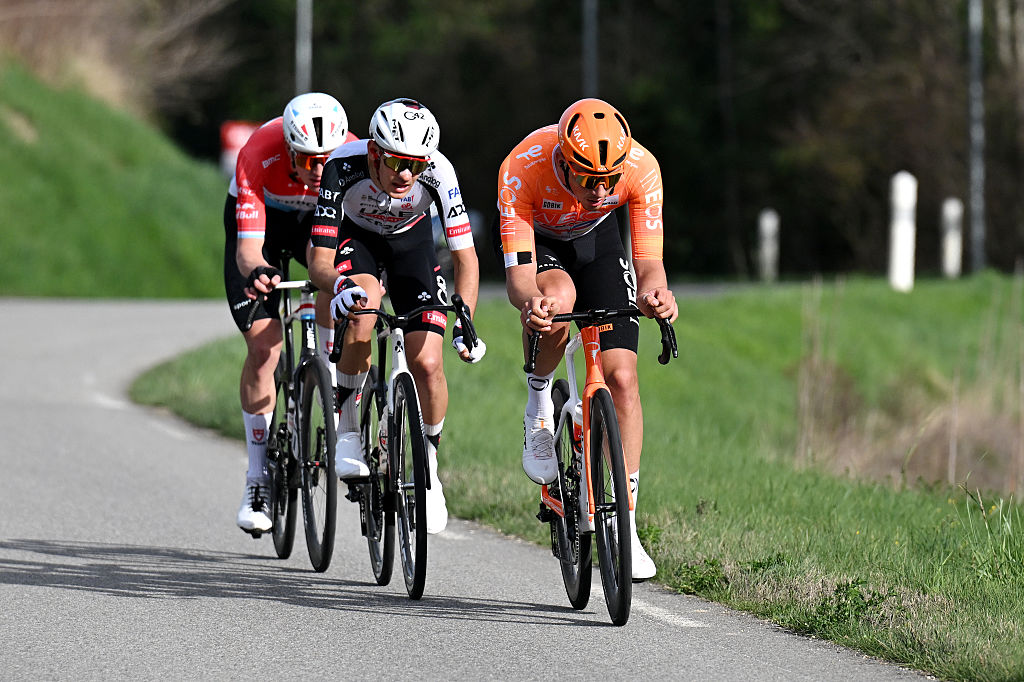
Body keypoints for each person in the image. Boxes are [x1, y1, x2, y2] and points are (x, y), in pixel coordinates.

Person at [496, 97, 678, 580]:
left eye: (609, 180)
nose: (600, 191)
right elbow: (519, 281)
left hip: (599, 245)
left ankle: (627, 527)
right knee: (556, 299)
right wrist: (530, 304)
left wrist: (658, 294)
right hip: (544, 245)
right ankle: (538, 404)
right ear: (564, 160)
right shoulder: (523, 167)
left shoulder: (640, 167)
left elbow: (650, 264)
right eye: (588, 179)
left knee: (623, 377)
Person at [306, 98, 484, 535]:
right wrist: (342, 288)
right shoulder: (341, 167)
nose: (406, 175)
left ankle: (429, 466)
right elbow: (318, 263)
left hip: (412, 243)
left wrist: (465, 320)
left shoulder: (439, 171)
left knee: (428, 362)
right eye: (395, 162)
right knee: (364, 305)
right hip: (357, 238)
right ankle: (348, 429)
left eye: (415, 166)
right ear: (373, 154)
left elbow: (466, 259)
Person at [226, 92, 359, 535]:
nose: (321, 171)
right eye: (308, 160)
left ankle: (324, 366)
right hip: (264, 229)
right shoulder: (258, 153)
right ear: (288, 148)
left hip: (312, 228)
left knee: (333, 273)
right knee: (265, 349)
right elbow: (248, 249)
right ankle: (257, 478)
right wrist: (260, 269)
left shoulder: (354, 152)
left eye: (329, 160)